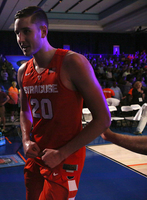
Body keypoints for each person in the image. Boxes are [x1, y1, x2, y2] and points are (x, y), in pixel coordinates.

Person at [14, 6, 110, 200]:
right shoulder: (23, 71)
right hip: (37, 155)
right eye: (17, 33)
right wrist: (25, 139)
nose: (20, 39)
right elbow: (25, 111)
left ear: (43, 31)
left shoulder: (72, 62)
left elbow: (103, 119)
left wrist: (61, 153)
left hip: (65, 157)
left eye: (26, 31)